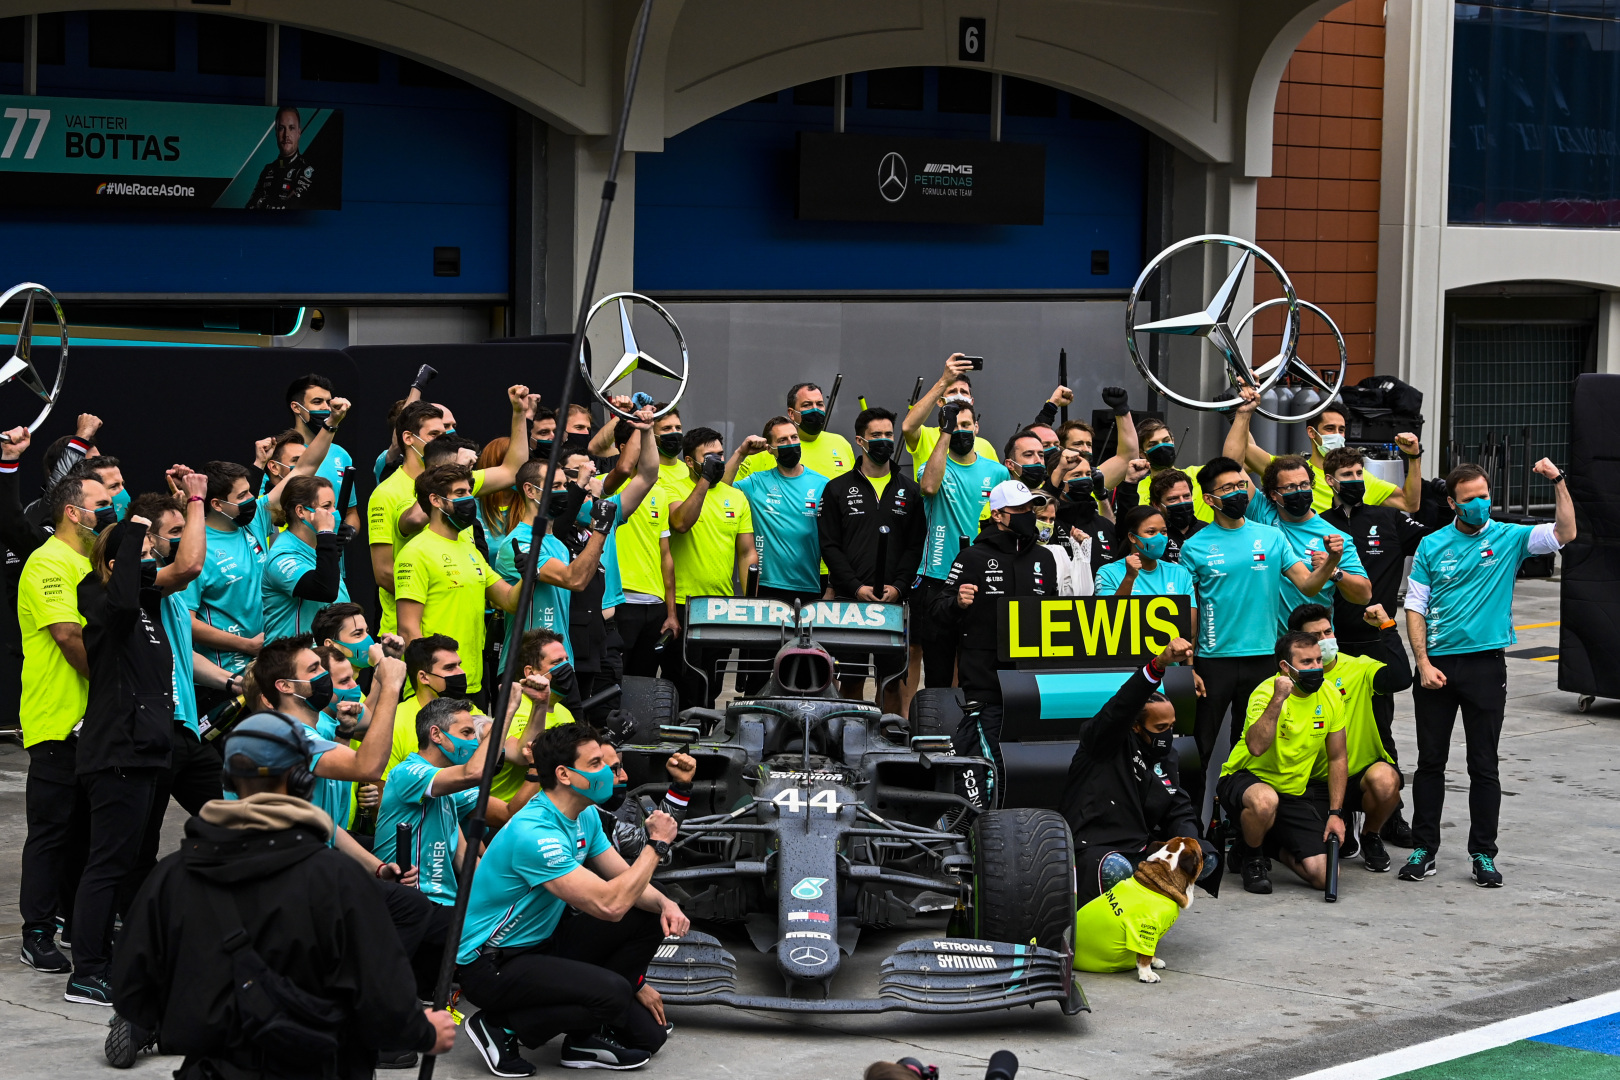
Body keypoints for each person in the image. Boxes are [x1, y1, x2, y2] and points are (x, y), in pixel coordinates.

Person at [110, 713, 458, 1077]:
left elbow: (133, 994)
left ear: (228, 778)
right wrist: (424, 1032)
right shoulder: (338, 880)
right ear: (302, 780)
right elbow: (384, 1000)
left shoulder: (172, 876)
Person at [454, 723, 686, 1074]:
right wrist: (657, 845)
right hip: (492, 963)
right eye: (595, 764)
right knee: (612, 993)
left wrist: (666, 905)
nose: (608, 773)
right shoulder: (534, 833)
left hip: (542, 944)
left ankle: (582, 1038)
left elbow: (624, 880)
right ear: (564, 774)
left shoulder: (585, 814)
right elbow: (610, 906)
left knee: (649, 1037)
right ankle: (499, 1026)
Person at [1401, 458, 1575, 887]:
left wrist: (1558, 482)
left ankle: (1483, 854)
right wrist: (1422, 662)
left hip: (1485, 665)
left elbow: (1565, 533)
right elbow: (1415, 606)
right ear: (1452, 503)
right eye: (1470, 499)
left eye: (1484, 496)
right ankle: (1425, 849)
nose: (1479, 504)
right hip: (1437, 666)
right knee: (1430, 763)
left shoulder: (1509, 537)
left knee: (1484, 765)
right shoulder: (1431, 545)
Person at [66, 514, 177, 1006]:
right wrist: (131, 532)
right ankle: (85, 973)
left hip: (148, 752)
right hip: (117, 754)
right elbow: (122, 599)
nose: (153, 564)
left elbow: (181, 569)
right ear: (118, 564)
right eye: (144, 556)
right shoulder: (102, 599)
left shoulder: (148, 610)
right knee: (107, 865)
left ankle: (115, 958)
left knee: (130, 863)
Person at [1179, 456, 1340, 780]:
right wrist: (1188, 666)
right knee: (1200, 749)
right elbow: (1189, 612)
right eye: (1227, 488)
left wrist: (1332, 560)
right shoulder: (1193, 547)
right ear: (1209, 499)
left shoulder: (1272, 537)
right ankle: (1191, 826)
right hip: (1213, 662)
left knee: (1253, 747)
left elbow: (1308, 585)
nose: (1238, 492)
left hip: (1264, 657)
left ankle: (1234, 824)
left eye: (1241, 485)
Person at [15, 467, 113, 975]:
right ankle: (36, 931)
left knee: (88, 832)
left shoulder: (93, 563)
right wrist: (113, 684)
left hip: (94, 723)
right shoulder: (47, 563)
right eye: (102, 499)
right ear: (73, 512)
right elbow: (68, 636)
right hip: (57, 720)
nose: (111, 505)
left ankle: (79, 922)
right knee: (51, 831)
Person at [120, 484, 221, 933]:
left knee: (232, 815)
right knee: (140, 843)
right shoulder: (146, 584)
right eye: (174, 531)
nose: (183, 536)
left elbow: (184, 654)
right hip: (153, 732)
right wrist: (197, 502)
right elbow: (191, 564)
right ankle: (138, 927)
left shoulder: (175, 597)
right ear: (151, 540)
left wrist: (232, 680)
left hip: (186, 732)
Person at [1319, 444, 1430, 847]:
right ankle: (1341, 815)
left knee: (1381, 730)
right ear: (1330, 481)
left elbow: (1434, 543)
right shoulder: (1318, 524)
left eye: (1358, 474)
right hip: (1332, 645)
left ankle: (1391, 817)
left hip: (1376, 639)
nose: (1354, 481)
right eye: (1345, 476)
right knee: (1333, 730)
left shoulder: (1387, 518)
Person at [190, 408, 345, 689]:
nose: (254, 498)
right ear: (216, 505)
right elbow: (185, 623)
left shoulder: (256, 518)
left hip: (267, 661)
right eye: (242, 495)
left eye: (250, 491)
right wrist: (246, 644)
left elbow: (303, 470)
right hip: (225, 674)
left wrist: (331, 425)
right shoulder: (196, 548)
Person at [929, 480, 1059, 795]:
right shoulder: (972, 557)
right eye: (1020, 510)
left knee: (1029, 764)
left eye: (1031, 508)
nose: (1029, 515)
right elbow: (936, 611)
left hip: (1033, 682)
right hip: (987, 684)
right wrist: (957, 602)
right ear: (998, 515)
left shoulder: (1045, 559)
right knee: (990, 762)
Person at [1060, 638, 1212, 904]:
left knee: (1207, 859)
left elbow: (1178, 806)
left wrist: (1191, 843)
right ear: (1136, 727)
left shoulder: (1167, 756)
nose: (1169, 734)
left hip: (1140, 847)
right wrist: (1159, 664)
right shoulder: (1103, 743)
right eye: (1160, 728)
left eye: (1172, 726)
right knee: (1117, 870)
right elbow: (1121, 707)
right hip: (1094, 848)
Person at [1217, 631, 1349, 894]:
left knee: (1326, 876)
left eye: (1318, 661)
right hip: (1245, 778)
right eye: (1306, 663)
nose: (1316, 668)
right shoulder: (1265, 692)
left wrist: (1335, 814)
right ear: (1285, 668)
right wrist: (1278, 699)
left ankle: (1263, 845)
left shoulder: (1331, 695)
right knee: (1265, 802)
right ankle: (1253, 858)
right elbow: (1255, 747)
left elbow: (1338, 757)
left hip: (1293, 793)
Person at [374, 697, 534, 904]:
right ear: (436, 735)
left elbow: (464, 856)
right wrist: (505, 713)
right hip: (410, 900)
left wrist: (507, 895)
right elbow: (473, 773)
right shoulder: (408, 773)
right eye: (466, 733)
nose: (474, 742)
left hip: (446, 902)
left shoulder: (449, 790)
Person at [1288, 602, 1409, 872]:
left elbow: (1401, 678)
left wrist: (1387, 627)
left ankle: (1371, 834)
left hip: (1359, 772)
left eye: (1328, 632)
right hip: (1314, 780)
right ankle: (1339, 816)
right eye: (1316, 637)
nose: (1325, 640)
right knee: (1321, 857)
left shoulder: (1359, 667)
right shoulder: (1287, 680)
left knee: (1387, 781)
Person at [818, 407, 925, 709]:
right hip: (850, 603)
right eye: (875, 435)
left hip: (894, 603)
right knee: (850, 678)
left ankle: (889, 742)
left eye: (888, 435)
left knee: (891, 682)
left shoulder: (910, 491)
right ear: (860, 441)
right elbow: (829, 545)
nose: (884, 441)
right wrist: (854, 587)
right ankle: (847, 738)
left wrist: (900, 587)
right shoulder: (837, 488)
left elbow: (915, 546)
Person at [395, 463, 526, 702]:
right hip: (436, 687)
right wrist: (429, 683)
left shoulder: (469, 547)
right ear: (435, 500)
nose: (469, 500)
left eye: (469, 492)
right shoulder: (415, 552)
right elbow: (408, 629)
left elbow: (509, 601)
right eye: (460, 493)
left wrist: (527, 578)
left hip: (472, 681)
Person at [917, 401, 1009, 688]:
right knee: (938, 670)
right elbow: (929, 487)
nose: (961, 431)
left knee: (975, 666)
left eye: (966, 425)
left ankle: (970, 729)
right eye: (954, 426)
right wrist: (945, 432)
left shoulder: (997, 473)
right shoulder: (932, 465)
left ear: (977, 428)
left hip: (982, 578)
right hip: (938, 577)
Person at [492, 454, 613, 664]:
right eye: (555, 486)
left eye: (565, 485)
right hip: (528, 666)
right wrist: (601, 529)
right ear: (530, 490)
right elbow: (573, 579)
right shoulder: (519, 542)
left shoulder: (557, 544)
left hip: (563, 660)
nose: (563, 492)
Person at [668, 428, 756, 708]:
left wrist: (750, 604)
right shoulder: (673, 488)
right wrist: (705, 479)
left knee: (713, 686)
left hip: (722, 607)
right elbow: (681, 523)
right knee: (684, 685)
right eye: (709, 457)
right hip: (684, 604)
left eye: (720, 454)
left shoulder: (736, 497)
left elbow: (746, 553)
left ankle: (704, 742)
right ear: (690, 462)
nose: (717, 461)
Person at [1236, 452, 1372, 633]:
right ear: (1274, 494)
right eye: (1290, 487)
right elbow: (1233, 463)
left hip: (1313, 645)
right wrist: (1242, 421)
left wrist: (1332, 570)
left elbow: (1364, 595)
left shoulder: (1334, 537)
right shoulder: (1262, 513)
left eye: (1304, 484)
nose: (1299, 491)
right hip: (1264, 644)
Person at [1225, 394, 1423, 514]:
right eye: (1329, 428)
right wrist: (1242, 413)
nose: (1337, 435)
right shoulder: (1290, 470)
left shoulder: (1360, 478)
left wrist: (1414, 457)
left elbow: (1410, 503)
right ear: (1312, 432)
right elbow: (1238, 454)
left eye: (1341, 429)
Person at [612, 407, 684, 679]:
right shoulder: (602, 487)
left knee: (642, 683)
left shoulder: (661, 493)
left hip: (653, 606)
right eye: (641, 440)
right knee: (613, 680)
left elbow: (666, 556)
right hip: (618, 602)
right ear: (622, 447)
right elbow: (621, 467)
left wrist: (671, 612)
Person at [491, 629, 578, 802]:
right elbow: (522, 755)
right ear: (530, 672)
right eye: (557, 662)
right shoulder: (515, 707)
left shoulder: (564, 712)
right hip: (508, 811)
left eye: (566, 660)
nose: (566, 667)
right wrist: (540, 703)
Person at [900, 354, 1023, 473]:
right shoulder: (925, 436)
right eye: (952, 391)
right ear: (939, 400)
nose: (958, 396)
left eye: (963, 392)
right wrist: (943, 381)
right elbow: (907, 427)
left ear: (971, 400)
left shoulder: (986, 446)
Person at [261, 475, 348, 642]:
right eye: (326, 506)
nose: (334, 513)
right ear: (301, 511)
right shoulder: (282, 556)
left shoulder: (320, 547)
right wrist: (326, 533)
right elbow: (325, 590)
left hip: (326, 658)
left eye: (334, 506)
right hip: (291, 662)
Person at [737, 382, 855, 480]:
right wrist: (739, 454)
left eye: (819, 404)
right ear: (792, 413)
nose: (815, 410)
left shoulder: (841, 444)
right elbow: (729, 493)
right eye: (807, 405)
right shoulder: (768, 448)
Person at [386, 634, 467, 776]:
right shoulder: (395, 723)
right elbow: (383, 788)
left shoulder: (468, 712)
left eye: (459, 665)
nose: (461, 673)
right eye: (450, 668)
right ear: (423, 677)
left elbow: (512, 751)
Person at [1096, 505, 1196, 598]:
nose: (1160, 538)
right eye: (1151, 532)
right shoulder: (1108, 573)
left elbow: (1190, 616)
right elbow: (1110, 614)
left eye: (1163, 532)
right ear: (1132, 537)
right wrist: (1129, 578)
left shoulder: (1180, 573)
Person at [1135, 418, 1209, 524]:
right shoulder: (1137, 491)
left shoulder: (1200, 475)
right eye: (1152, 444)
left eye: (1166, 441)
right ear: (1142, 453)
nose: (1161, 447)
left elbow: (1235, 465)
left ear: (1173, 441)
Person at [246, 105, 318, 209]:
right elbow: (250, 206)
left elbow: (292, 207)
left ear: (299, 133)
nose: (286, 135)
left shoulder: (306, 170)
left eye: (291, 128)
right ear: (276, 133)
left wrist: (263, 202)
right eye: (281, 128)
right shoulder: (268, 170)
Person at [1147, 468, 1204, 563]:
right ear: (1157, 505)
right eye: (1173, 499)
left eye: (1186, 496)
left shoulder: (1206, 531)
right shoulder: (1150, 537)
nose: (1182, 502)